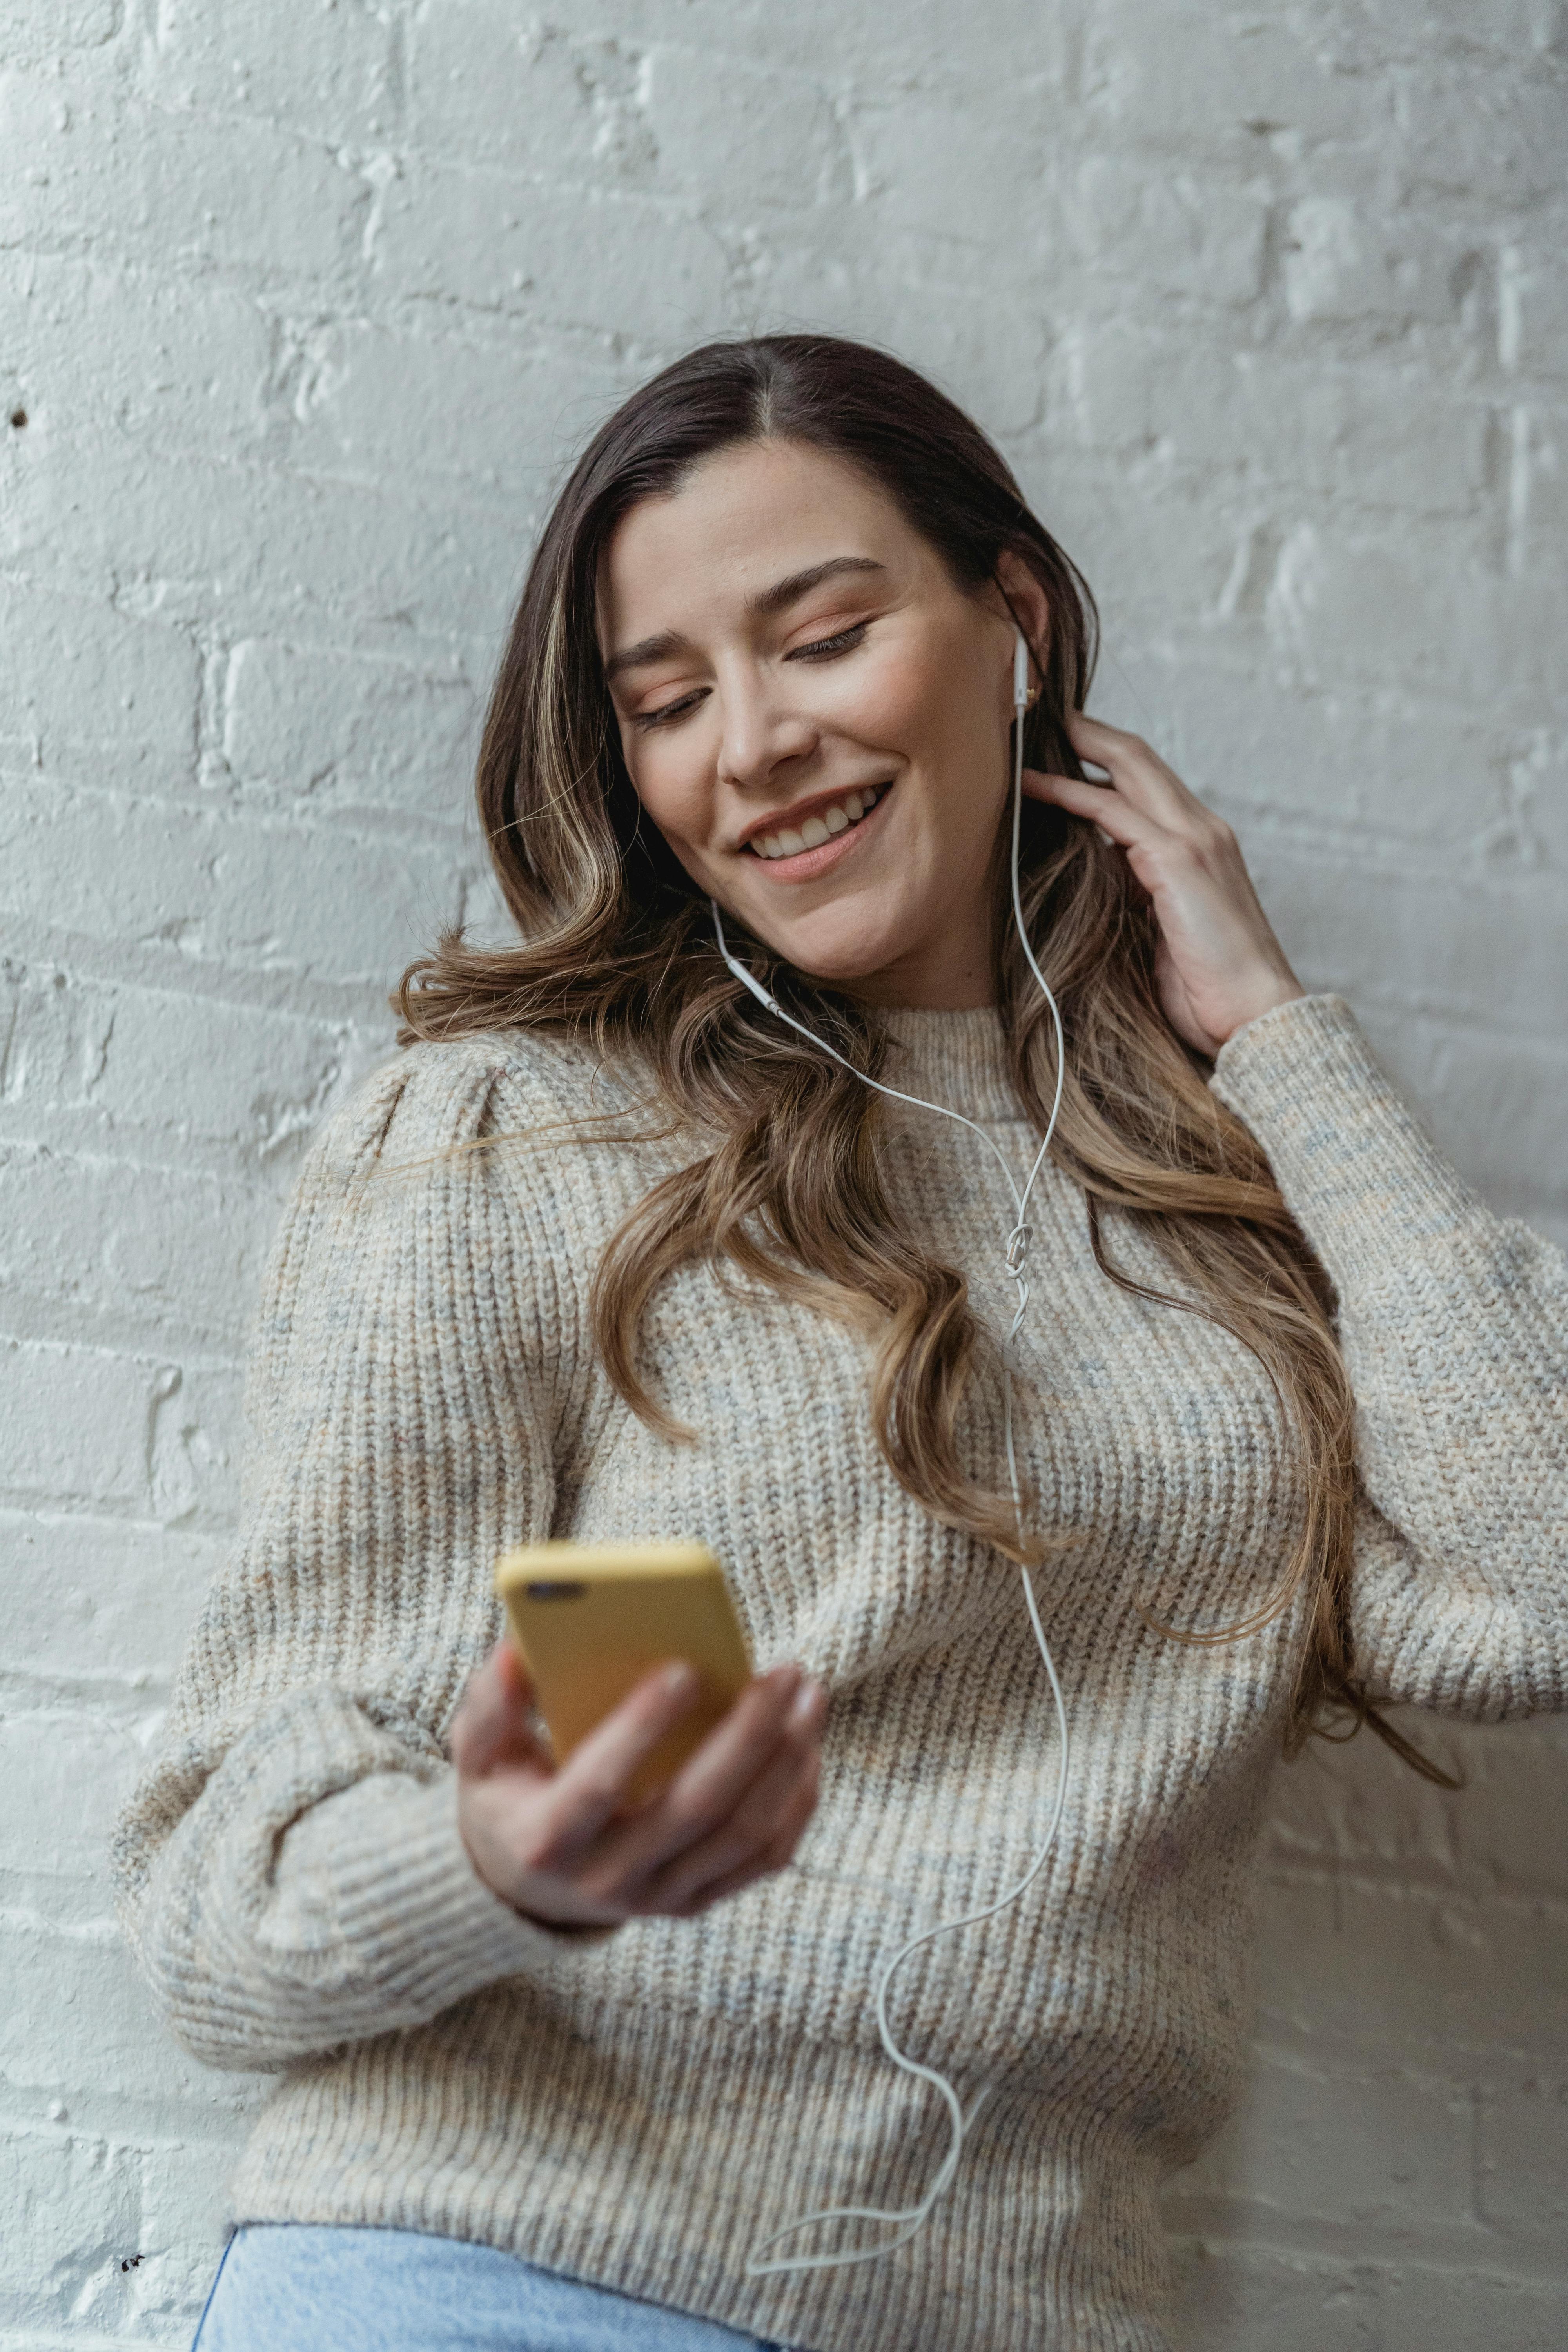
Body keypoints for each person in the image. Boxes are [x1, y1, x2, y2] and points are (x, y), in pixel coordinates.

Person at [113, 335, 1567, 2352]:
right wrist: (498, 1859)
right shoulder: (518, 1131)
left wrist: (1283, 1044)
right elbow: (219, 1905)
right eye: (668, 700)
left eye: (823, 637)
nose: (754, 747)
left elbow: (1538, 1584)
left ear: (1015, 623)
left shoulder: (1225, 1194)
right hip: (503, 2281)